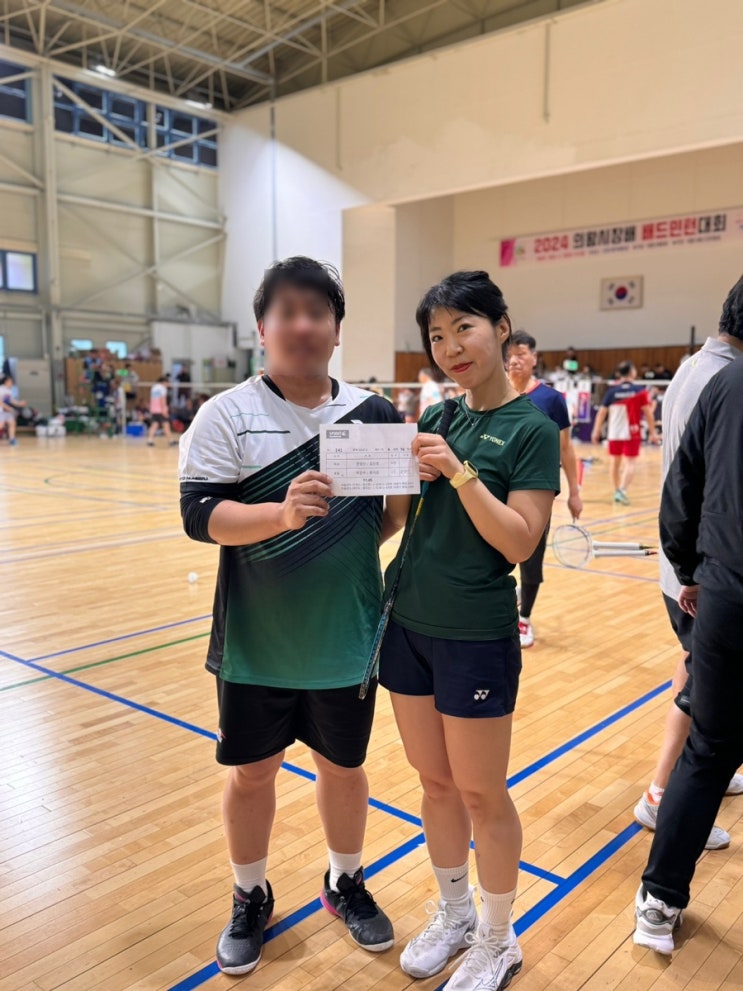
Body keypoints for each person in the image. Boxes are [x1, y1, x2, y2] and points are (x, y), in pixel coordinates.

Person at [179, 257, 403, 976]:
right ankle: (250, 893)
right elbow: (199, 515)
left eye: (317, 312)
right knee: (253, 773)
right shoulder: (226, 414)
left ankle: (345, 881)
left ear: (336, 329)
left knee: (344, 766)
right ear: (262, 327)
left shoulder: (373, 414)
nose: (302, 324)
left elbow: (391, 516)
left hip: (346, 638)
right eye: (287, 312)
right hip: (256, 642)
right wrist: (279, 516)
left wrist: (340, 546)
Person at [378, 271, 560, 990]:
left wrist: (459, 473)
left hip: (475, 635)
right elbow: (399, 519)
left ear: (501, 327)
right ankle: (455, 914)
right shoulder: (439, 416)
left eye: (464, 328)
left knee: (483, 793)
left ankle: (497, 936)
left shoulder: (532, 429)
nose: (451, 347)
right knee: (434, 782)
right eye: (437, 335)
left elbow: (519, 539)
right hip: (408, 625)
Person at [634, 353, 743, 955]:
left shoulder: (722, 383)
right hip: (724, 588)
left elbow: (681, 489)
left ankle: (658, 900)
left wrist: (689, 571)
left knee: (707, 750)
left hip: (725, 592)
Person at [506, 330, 583, 648]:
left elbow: (566, 448)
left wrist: (574, 492)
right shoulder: (496, 394)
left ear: (534, 358)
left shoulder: (551, 400)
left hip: (537, 491)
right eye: (509, 354)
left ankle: (524, 618)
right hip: (499, 488)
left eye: (521, 353)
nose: (514, 360)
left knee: (532, 560)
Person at [590, 361, 659, 504]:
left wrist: (596, 431)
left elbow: (601, 413)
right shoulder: (640, 391)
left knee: (615, 463)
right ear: (632, 372)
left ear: (618, 374)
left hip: (614, 433)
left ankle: (617, 491)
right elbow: (648, 414)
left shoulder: (611, 392)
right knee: (630, 463)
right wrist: (653, 433)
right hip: (632, 433)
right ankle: (622, 490)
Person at [147, 375, 177, 446]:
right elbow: (163, 400)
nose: (168, 385)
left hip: (154, 410)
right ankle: (170, 441)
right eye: (167, 383)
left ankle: (149, 440)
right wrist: (165, 411)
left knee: (154, 425)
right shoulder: (163, 388)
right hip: (160, 410)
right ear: (164, 382)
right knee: (166, 425)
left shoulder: (154, 388)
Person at [0, 375, 21, 445]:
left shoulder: (8, 390)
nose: (11, 383)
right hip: (1, 411)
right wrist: (6, 407)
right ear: (6, 381)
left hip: (7, 411)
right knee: (1, 425)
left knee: (12, 423)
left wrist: (19, 403)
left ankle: (12, 439)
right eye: (10, 381)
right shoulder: (1, 389)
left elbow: (10, 400)